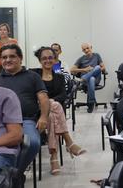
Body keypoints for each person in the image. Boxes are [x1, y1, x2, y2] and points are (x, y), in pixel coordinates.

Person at [0, 44, 50, 171]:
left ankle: (16, 173)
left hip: (26, 120)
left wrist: (44, 117)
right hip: (1, 124)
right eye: (4, 57)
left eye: (12, 56)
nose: (7, 60)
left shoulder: (33, 76)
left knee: (33, 143)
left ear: (20, 58)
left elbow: (43, 98)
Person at [32, 46, 86, 175]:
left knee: (51, 114)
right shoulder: (34, 75)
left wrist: (49, 102)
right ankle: (68, 141)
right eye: (44, 58)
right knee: (53, 105)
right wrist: (46, 101)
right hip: (37, 110)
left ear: (55, 59)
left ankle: (53, 155)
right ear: (40, 60)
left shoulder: (60, 77)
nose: (47, 60)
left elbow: (63, 95)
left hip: (52, 112)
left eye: (50, 57)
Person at [70, 43, 106, 113]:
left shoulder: (97, 55)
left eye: (87, 48)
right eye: (84, 49)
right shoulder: (81, 59)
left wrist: (94, 70)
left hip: (96, 78)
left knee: (98, 67)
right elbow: (72, 70)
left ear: (91, 47)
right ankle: (91, 103)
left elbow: (103, 67)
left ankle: (82, 79)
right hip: (86, 82)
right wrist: (84, 69)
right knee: (91, 79)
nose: (86, 50)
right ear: (82, 51)